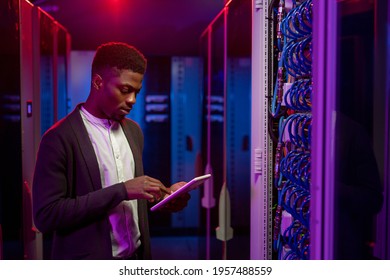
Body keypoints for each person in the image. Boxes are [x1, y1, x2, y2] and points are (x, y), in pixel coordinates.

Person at [32, 42, 189, 260]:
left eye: (136, 92)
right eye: (125, 90)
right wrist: (122, 190)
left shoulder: (133, 131)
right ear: (98, 82)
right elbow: (46, 216)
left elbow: (133, 198)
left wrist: (164, 198)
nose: (132, 100)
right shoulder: (58, 138)